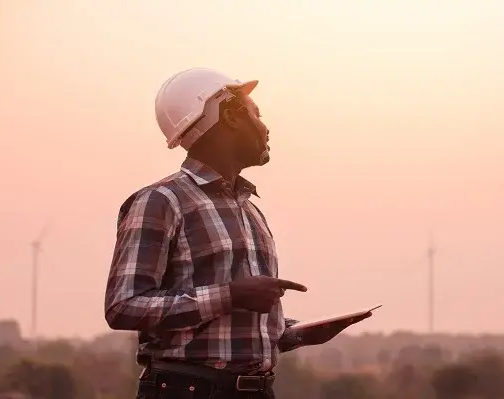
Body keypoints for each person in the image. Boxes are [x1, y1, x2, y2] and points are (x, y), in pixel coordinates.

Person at [104, 68, 369, 398]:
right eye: (257, 114)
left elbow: (227, 330)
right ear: (230, 116)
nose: (265, 127)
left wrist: (295, 332)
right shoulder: (160, 202)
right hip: (186, 390)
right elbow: (124, 306)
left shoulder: (250, 210)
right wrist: (231, 295)